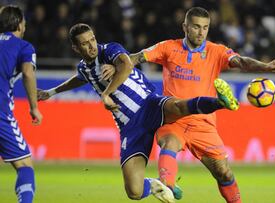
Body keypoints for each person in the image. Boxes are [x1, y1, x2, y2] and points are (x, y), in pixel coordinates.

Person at [37, 23, 239, 203]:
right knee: (133, 191)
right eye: (84, 44)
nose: (91, 46)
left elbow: (125, 64)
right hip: (129, 126)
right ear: (75, 48)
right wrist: (51, 92)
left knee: (179, 107)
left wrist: (106, 94)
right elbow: (80, 77)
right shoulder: (84, 67)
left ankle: (220, 102)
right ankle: (156, 185)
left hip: (148, 104)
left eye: (92, 40)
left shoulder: (109, 51)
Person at [103, 7, 275, 202]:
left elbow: (241, 61)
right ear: (185, 27)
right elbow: (137, 57)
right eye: (196, 27)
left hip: (203, 124)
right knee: (169, 143)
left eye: (205, 27)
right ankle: (167, 187)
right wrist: (117, 65)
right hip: (173, 118)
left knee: (224, 173)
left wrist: (264, 66)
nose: (201, 32)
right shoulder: (168, 47)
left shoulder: (216, 51)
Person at [0, 5, 43, 203]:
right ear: (18, 23)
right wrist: (34, 107)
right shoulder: (23, 46)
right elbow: (27, 73)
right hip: (1, 114)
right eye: (24, 23)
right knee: (25, 165)